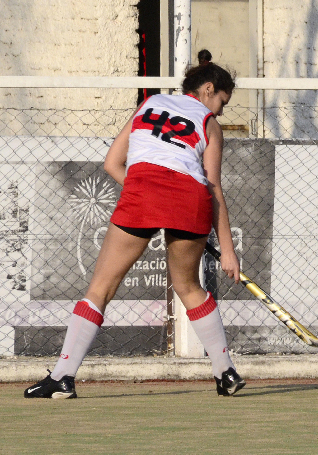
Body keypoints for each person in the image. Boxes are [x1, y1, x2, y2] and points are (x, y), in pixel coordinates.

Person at [24, 61, 245, 399]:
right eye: (223, 103)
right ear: (209, 90)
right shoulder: (209, 125)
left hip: (142, 190)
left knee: (100, 287)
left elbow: (112, 164)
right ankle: (225, 372)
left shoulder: (150, 103)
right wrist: (227, 249)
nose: (221, 111)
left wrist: (148, 195)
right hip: (191, 199)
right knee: (188, 287)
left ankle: (63, 378)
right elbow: (213, 188)